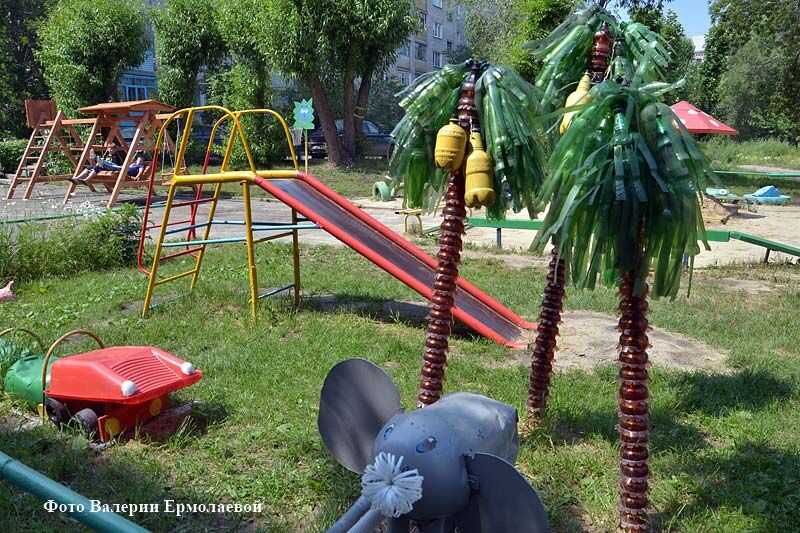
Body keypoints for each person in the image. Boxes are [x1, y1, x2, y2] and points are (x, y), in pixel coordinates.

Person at [70, 151, 146, 186]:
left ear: (142, 162)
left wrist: (136, 177)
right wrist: (136, 153)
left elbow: (140, 172)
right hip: (122, 168)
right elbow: (130, 161)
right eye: (139, 160)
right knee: (92, 167)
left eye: (141, 161)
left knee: (110, 165)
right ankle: (77, 178)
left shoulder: (140, 166)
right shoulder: (133, 164)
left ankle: (98, 159)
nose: (139, 162)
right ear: (137, 160)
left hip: (124, 171)